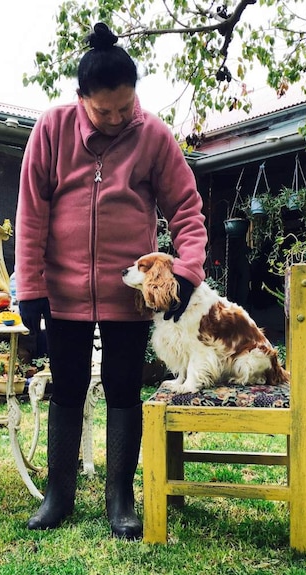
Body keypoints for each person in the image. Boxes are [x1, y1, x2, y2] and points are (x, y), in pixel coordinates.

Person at [15, 22, 207, 540]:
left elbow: (187, 211)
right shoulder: (52, 129)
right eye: (105, 111)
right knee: (69, 388)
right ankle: (59, 495)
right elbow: (31, 214)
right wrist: (29, 288)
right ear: (82, 100)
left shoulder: (154, 138)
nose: (118, 118)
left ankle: (120, 499)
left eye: (126, 107)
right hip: (63, 294)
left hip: (130, 297)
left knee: (124, 388)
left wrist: (186, 273)